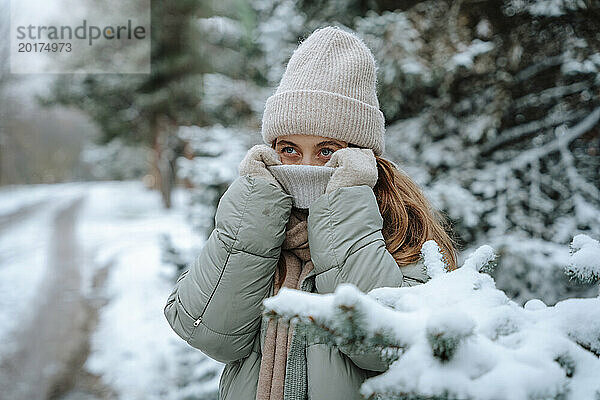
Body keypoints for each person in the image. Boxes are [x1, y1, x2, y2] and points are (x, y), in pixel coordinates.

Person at [164, 25, 458, 400]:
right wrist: (254, 216)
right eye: (289, 149)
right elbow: (207, 332)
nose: (305, 166)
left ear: (361, 154)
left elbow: (382, 347)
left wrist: (343, 206)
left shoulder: (405, 234)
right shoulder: (259, 223)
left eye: (327, 151)